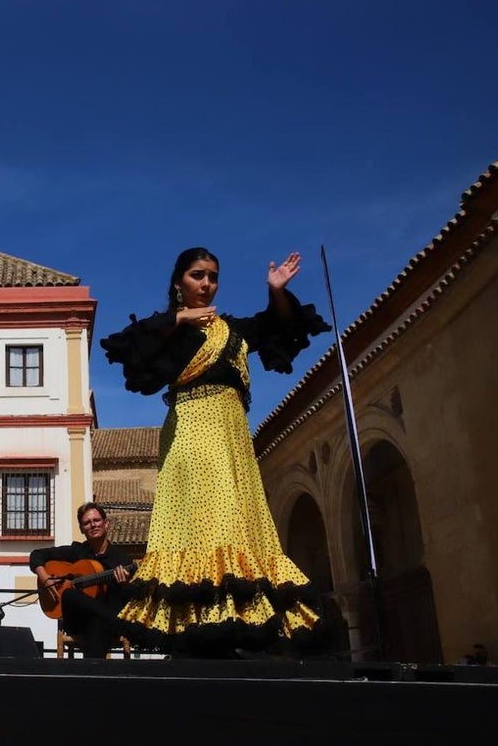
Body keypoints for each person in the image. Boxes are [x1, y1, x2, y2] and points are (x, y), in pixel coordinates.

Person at [99, 248, 332, 657]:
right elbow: (133, 353)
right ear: (179, 283)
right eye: (197, 275)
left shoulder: (233, 329)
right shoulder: (171, 330)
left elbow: (278, 326)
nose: (207, 284)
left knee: (239, 522)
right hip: (193, 433)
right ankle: (202, 624)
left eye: (213, 276)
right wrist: (177, 319)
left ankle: (240, 619)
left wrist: (277, 291)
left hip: (233, 438)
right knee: (208, 522)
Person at [30, 502, 136, 659]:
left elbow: (130, 597)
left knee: (97, 620)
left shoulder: (121, 560)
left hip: (107, 624)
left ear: (106, 523)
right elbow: (36, 554)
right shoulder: (77, 551)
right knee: (69, 594)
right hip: (77, 622)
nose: (93, 525)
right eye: (87, 522)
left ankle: (90, 671)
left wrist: (125, 584)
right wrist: (45, 578)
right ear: (81, 529)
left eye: (96, 520)